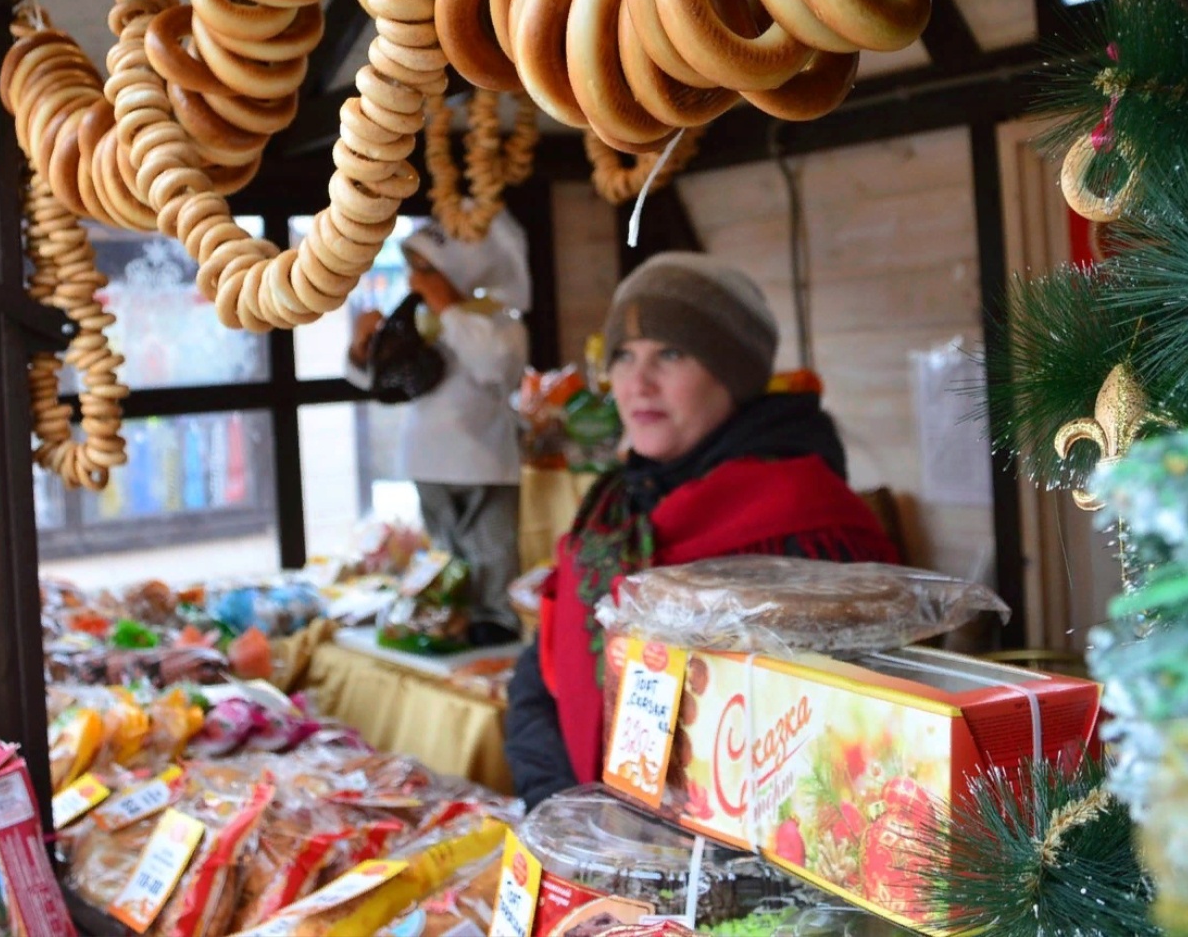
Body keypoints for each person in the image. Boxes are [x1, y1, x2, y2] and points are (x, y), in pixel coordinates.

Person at [505, 252, 899, 807]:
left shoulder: (806, 521)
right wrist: (564, 805)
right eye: (623, 356)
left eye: (670, 353)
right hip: (599, 843)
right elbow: (543, 672)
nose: (637, 383)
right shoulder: (614, 506)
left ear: (732, 374)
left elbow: (833, 743)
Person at [347, 214, 530, 646]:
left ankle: (495, 625)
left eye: (427, 270)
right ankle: (445, 617)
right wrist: (362, 348)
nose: (416, 279)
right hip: (426, 458)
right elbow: (377, 379)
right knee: (443, 552)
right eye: (413, 268)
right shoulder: (414, 319)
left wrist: (450, 309)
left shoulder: (498, 322)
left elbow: (495, 367)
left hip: (484, 457)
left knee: (492, 547)